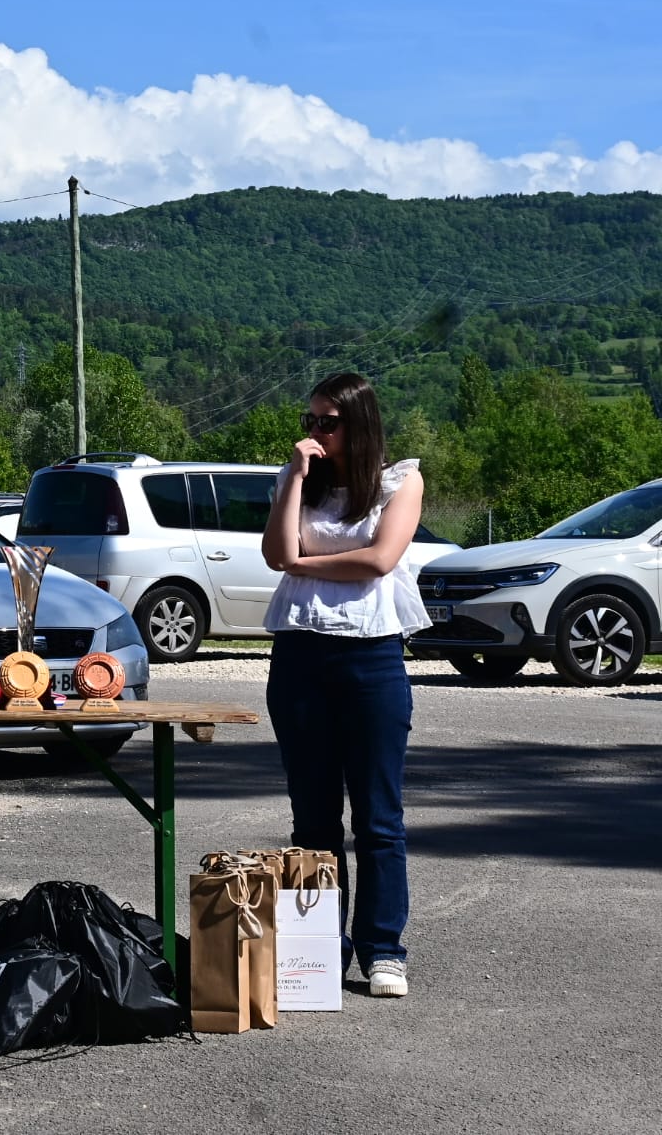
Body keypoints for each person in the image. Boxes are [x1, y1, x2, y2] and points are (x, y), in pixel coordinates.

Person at [261, 371, 428, 1000]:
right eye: (309, 421)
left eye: (326, 422)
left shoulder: (398, 480)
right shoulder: (298, 480)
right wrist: (296, 477)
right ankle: (319, 949)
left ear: (358, 424)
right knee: (313, 819)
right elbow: (277, 552)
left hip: (371, 660)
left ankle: (384, 950)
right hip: (301, 656)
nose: (314, 433)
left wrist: (304, 563)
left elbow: (379, 560)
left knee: (379, 817)